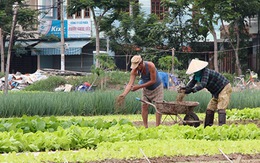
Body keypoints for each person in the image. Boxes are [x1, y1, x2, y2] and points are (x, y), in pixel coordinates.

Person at [181, 59, 232, 128]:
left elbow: (203, 84)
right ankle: (207, 128)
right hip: (216, 92)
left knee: (221, 107)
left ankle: (222, 127)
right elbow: (191, 83)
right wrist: (185, 89)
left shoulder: (206, 72)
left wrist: (193, 90)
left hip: (224, 87)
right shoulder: (196, 75)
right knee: (210, 108)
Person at [117, 55, 164, 128]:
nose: (136, 68)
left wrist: (138, 87)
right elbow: (130, 84)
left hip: (157, 87)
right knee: (144, 106)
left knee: (158, 107)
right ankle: (145, 126)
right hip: (146, 88)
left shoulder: (150, 66)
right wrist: (123, 94)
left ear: (141, 63)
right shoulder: (134, 71)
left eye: (137, 66)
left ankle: (157, 127)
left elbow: (153, 81)